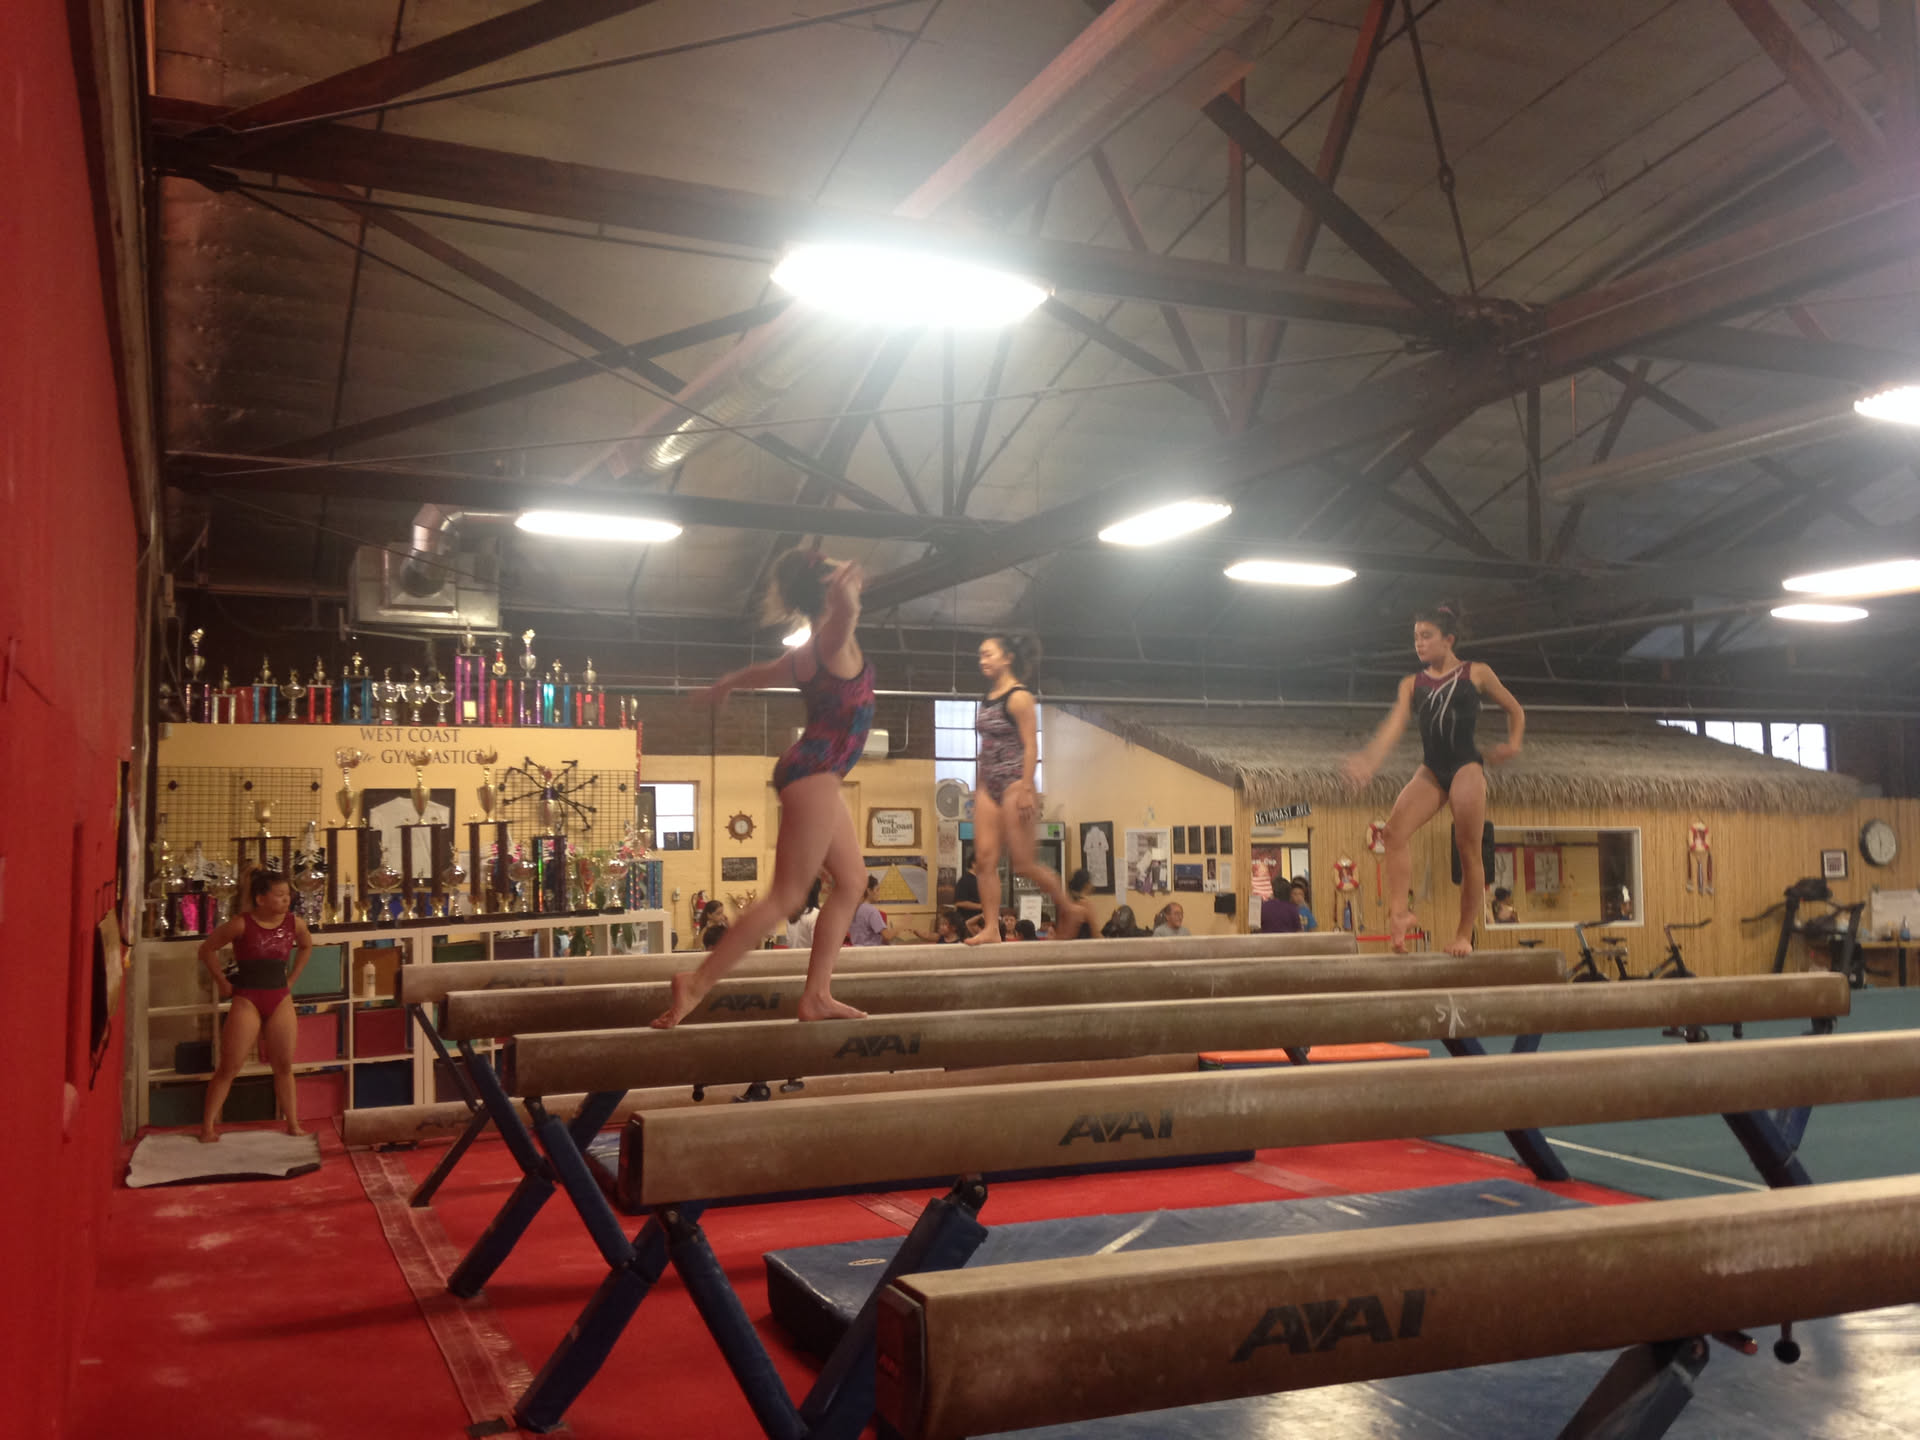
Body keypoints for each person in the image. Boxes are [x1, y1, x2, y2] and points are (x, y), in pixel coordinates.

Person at [653, 551, 874, 1026]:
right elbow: (848, 613)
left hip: (817, 773)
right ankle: (696, 983)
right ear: (828, 591)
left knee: (853, 880)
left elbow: (760, 673)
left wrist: (725, 686)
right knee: (786, 897)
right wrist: (846, 590)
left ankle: (817, 995)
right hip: (815, 773)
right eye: (836, 572)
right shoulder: (832, 641)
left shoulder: (810, 652)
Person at [1342, 600, 1525, 955]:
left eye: (1427, 636)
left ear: (1448, 639)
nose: (1419, 643)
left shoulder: (1476, 673)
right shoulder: (1413, 684)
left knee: (1468, 850)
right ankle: (1400, 914)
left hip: (1466, 767)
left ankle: (1463, 934)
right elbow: (1394, 725)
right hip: (1431, 770)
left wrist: (1513, 743)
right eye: (1416, 637)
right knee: (1393, 833)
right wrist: (1369, 760)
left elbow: (1515, 709)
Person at [964, 635, 1087, 944]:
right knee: (985, 859)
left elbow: (1032, 745)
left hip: (1015, 782)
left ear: (1007, 658)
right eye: (980, 655)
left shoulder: (1020, 697)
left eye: (988, 654)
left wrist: (1028, 789)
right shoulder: (986, 698)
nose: (982, 660)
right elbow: (985, 747)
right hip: (988, 785)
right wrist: (977, 788)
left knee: (1023, 864)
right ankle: (991, 928)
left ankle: (1069, 907)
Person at [196, 865, 313, 1143]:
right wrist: (222, 982)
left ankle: (292, 1123)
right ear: (261, 899)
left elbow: (307, 946)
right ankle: (207, 1126)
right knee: (229, 1066)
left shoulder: (295, 923)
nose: (286, 900)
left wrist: (292, 978)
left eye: (287, 895)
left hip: (280, 997)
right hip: (247, 999)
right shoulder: (241, 924)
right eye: (279, 895)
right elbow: (207, 949)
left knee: (284, 1066)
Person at [849, 875, 895, 945]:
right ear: (869, 891)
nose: (878, 894)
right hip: (870, 950)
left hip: (856, 949)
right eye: (877, 890)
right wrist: (903, 925)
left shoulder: (853, 909)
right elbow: (887, 936)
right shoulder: (871, 911)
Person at [785, 876, 823, 950]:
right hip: (808, 957)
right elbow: (819, 948)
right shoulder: (815, 915)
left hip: (793, 956)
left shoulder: (792, 915)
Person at [950, 856, 985, 932]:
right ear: (973, 864)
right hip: (968, 922)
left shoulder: (981, 880)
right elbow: (959, 902)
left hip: (981, 922)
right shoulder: (965, 880)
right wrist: (981, 906)